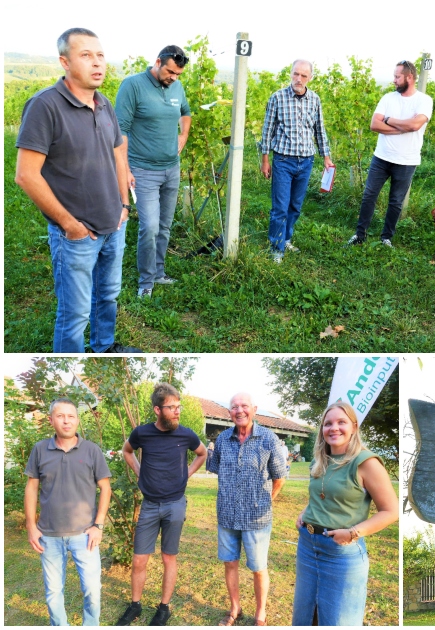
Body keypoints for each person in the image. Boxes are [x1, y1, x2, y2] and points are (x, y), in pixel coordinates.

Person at [14, 28, 137, 353]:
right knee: (75, 313)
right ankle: (72, 368)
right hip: (77, 236)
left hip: (114, 225)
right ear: (65, 62)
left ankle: (103, 347)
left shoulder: (104, 104)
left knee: (108, 295)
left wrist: (124, 206)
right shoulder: (45, 106)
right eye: (85, 55)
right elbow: (26, 176)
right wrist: (70, 225)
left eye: (100, 55)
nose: (97, 63)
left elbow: (118, 152)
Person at [292, 402, 400, 626]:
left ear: (353, 426)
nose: (334, 428)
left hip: (341, 553)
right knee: (305, 618)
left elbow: (391, 511)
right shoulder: (320, 460)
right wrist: (306, 511)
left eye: (341, 422)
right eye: (328, 423)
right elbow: (323, 494)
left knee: (338, 620)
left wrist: (352, 533)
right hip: (307, 547)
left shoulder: (366, 462)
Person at [117, 383, 206, 626]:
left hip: (175, 504)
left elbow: (202, 453)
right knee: (139, 560)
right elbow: (127, 451)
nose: (177, 411)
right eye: (172, 407)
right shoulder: (142, 433)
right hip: (149, 505)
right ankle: (135, 606)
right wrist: (139, 471)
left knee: (169, 558)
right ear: (157, 409)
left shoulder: (186, 434)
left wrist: (186, 473)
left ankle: (164, 608)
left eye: (179, 406)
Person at [25, 398, 112, 626]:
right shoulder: (39, 449)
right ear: (52, 419)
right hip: (49, 536)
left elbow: (105, 487)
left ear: (77, 420)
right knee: (53, 592)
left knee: (92, 589)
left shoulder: (92, 450)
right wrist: (31, 526)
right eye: (61, 416)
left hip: (85, 535)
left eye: (71, 416)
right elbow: (32, 488)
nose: (66, 421)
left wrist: (99, 525)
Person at [115, 45, 191, 300]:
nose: (173, 77)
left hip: (172, 168)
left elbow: (186, 112)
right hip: (143, 170)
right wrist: (124, 170)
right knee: (149, 226)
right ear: (158, 62)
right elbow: (120, 130)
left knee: (165, 225)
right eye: (170, 71)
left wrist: (183, 135)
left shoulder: (176, 87)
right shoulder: (132, 86)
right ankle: (145, 280)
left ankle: (159, 272)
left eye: (178, 74)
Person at [207, 392, 289, 626]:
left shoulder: (268, 438)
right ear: (229, 412)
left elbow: (280, 477)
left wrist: (267, 500)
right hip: (227, 515)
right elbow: (215, 469)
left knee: (258, 567)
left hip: (257, 518)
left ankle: (260, 613)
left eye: (244, 406)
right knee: (230, 563)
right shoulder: (222, 439)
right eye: (234, 407)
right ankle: (235, 609)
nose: (239, 410)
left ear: (254, 409)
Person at [348, 60, 432, 249]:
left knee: (395, 201)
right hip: (382, 157)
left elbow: (415, 125)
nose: (394, 80)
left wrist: (388, 120)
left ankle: (386, 238)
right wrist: (401, 127)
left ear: (409, 77)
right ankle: (359, 235)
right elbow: (374, 125)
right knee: (369, 195)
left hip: (406, 160)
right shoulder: (388, 98)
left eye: (397, 76)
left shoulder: (424, 100)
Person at [259, 59, 334, 263]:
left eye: (303, 75)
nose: (298, 79)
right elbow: (267, 131)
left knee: (295, 205)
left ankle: (287, 238)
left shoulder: (315, 100)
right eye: (295, 74)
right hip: (283, 160)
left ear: (310, 78)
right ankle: (276, 247)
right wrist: (265, 160)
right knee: (280, 206)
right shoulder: (277, 98)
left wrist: (325, 157)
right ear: (290, 74)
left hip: (306, 161)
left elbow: (319, 130)